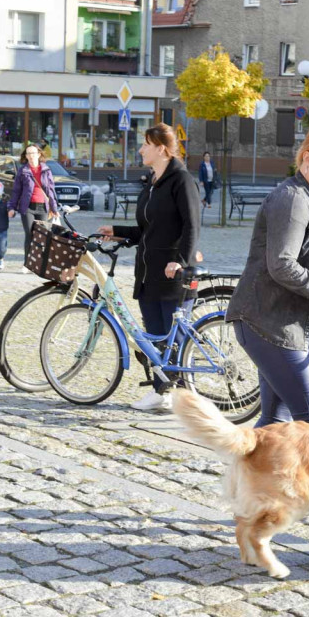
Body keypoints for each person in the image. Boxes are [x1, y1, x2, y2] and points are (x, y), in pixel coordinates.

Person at [224, 125, 309, 427]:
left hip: (292, 324)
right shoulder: (293, 198)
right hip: (268, 322)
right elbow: (282, 264)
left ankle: (249, 474)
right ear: (307, 158)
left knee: (276, 422)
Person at [98, 123, 201, 410]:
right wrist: (117, 230)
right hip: (149, 271)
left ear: (162, 149)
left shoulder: (181, 180)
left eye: (146, 144)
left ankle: (178, 394)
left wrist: (180, 261)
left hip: (173, 272)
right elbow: (148, 229)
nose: (141, 149)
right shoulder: (152, 181)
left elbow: (192, 226)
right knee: (154, 335)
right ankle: (161, 392)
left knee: (173, 338)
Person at [8, 144, 59, 272]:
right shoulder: (23, 170)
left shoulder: (46, 170)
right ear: (26, 156)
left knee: (43, 236)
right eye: (28, 153)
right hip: (28, 207)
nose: (31, 156)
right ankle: (28, 264)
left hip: (43, 208)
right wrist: (12, 207)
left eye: (33, 153)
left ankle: (41, 264)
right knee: (30, 235)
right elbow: (16, 191)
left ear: (39, 154)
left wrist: (54, 208)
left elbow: (51, 190)